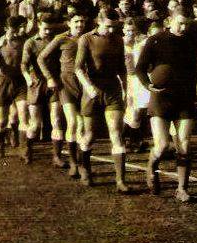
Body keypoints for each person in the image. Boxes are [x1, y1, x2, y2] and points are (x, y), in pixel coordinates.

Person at [136, 6, 197, 202]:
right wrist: (148, 85)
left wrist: (196, 95)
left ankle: (182, 189)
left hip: (184, 98)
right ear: (170, 21)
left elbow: (194, 70)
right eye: (180, 23)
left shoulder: (190, 41)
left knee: (184, 144)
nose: (183, 27)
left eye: (186, 24)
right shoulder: (156, 40)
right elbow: (140, 68)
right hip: (161, 98)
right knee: (162, 145)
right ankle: (152, 166)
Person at [75, 10, 130, 190]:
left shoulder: (118, 40)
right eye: (108, 26)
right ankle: (85, 169)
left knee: (116, 133)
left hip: (112, 90)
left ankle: (120, 181)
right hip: (92, 89)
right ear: (99, 22)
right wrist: (88, 87)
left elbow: (122, 68)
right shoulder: (86, 39)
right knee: (90, 136)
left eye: (114, 27)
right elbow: (78, 68)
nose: (111, 30)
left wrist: (126, 90)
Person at [38, 12, 88, 179]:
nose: (79, 24)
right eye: (76, 21)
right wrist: (49, 78)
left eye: (82, 21)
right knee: (73, 122)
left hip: (84, 82)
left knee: (82, 125)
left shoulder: (88, 37)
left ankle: (81, 162)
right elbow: (41, 58)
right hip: (66, 83)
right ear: (69, 23)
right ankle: (74, 164)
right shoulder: (61, 38)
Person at [0, 17, 28, 158]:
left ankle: (24, 148)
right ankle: (1, 144)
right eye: (12, 31)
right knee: (2, 119)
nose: (15, 33)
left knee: (23, 114)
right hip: (3, 81)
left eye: (17, 30)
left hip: (20, 81)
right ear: (6, 29)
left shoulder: (22, 41)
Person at [21, 14, 61, 165]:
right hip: (36, 84)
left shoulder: (56, 40)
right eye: (45, 29)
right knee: (35, 124)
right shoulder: (30, 42)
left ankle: (56, 156)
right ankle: (28, 149)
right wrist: (27, 77)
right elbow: (24, 64)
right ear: (38, 25)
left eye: (50, 29)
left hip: (54, 82)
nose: (48, 32)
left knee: (56, 120)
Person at [121, 20, 149, 152]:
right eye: (128, 30)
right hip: (125, 80)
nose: (130, 33)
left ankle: (134, 139)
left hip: (139, 79)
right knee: (130, 110)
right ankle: (126, 139)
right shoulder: (119, 44)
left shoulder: (141, 43)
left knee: (138, 109)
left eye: (133, 30)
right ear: (123, 30)